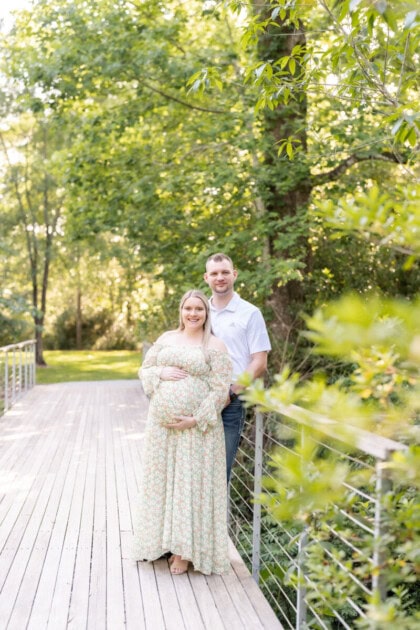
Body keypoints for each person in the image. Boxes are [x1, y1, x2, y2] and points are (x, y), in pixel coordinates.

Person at [132, 289, 232, 576]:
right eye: (188, 308)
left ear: (206, 313)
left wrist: (196, 419)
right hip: (161, 429)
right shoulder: (166, 339)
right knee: (162, 483)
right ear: (181, 310)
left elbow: (221, 390)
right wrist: (160, 374)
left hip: (197, 430)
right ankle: (160, 542)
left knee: (189, 486)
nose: (192, 313)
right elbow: (145, 370)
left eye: (198, 309)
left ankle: (184, 552)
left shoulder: (215, 344)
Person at [204, 253, 271, 482]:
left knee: (219, 473)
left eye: (224, 272)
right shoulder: (199, 312)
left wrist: (231, 393)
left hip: (232, 401)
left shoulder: (250, 313)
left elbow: (259, 362)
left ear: (234, 274)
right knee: (195, 468)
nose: (220, 277)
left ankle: (219, 519)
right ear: (206, 278)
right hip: (198, 396)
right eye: (214, 273)